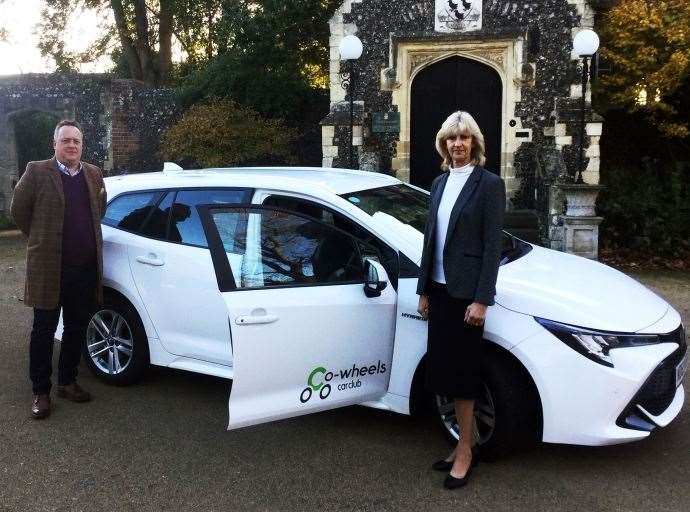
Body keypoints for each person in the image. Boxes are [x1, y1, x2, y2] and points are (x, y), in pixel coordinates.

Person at [416, 111, 505, 489]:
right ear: (443, 144)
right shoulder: (438, 182)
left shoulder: (489, 184)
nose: (458, 144)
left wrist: (482, 299)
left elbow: (492, 246)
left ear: (475, 144)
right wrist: (423, 288)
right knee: (444, 374)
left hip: (466, 296)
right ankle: (459, 444)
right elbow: (430, 239)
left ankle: (467, 450)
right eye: (452, 138)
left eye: (465, 138)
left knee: (465, 376)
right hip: (438, 292)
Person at [10, 120, 107, 419]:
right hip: (49, 268)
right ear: (55, 144)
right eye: (65, 141)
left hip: (84, 268)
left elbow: (98, 210)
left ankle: (67, 382)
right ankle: (41, 391)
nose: (71, 146)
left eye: (76, 141)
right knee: (44, 330)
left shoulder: (93, 173)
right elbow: (19, 210)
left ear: (82, 145)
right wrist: (40, 238)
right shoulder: (37, 171)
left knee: (77, 327)